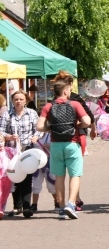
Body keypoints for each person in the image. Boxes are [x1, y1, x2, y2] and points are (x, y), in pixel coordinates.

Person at [36, 81, 91, 219]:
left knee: (59, 176)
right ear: (66, 91)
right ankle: (71, 204)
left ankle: (61, 208)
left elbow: (39, 126)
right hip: (72, 143)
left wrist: (51, 128)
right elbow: (87, 121)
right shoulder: (75, 104)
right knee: (75, 175)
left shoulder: (48, 106)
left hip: (55, 144)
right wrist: (77, 125)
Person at [52, 71, 97, 211]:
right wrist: (92, 128)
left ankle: (61, 203)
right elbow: (89, 116)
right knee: (75, 171)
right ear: (70, 84)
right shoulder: (76, 99)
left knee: (60, 174)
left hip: (56, 139)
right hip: (76, 136)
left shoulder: (53, 100)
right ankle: (75, 200)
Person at [0, 90, 41, 218]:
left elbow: (39, 129)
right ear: (12, 101)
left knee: (27, 178)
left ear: (25, 101)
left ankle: (27, 206)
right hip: (12, 151)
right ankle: (17, 206)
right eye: (16, 99)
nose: (18, 101)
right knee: (15, 177)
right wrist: (9, 136)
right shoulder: (7, 114)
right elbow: (1, 131)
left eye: (21, 99)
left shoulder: (32, 113)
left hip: (27, 149)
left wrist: (36, 137)